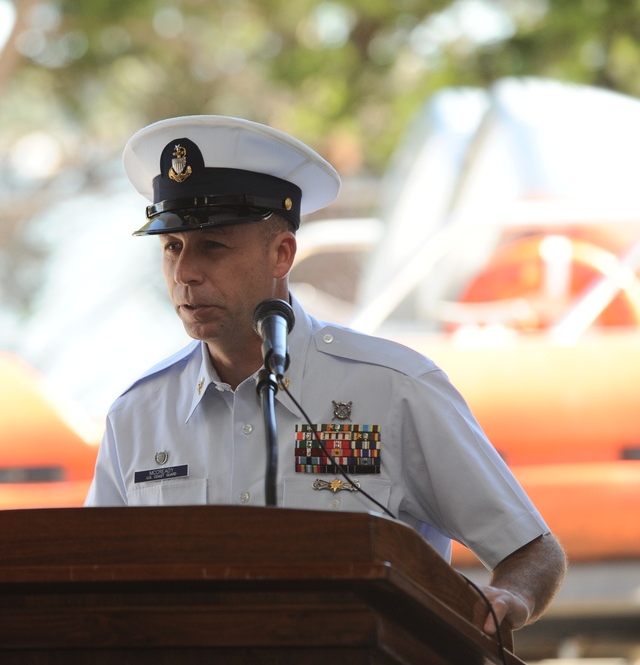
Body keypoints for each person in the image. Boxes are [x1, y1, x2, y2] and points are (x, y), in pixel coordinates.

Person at [84, 114, 567, 636]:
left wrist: (507, 600)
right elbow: (90, 581)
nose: (184, 273)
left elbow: (533, 551)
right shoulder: (136, 415)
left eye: (213, 246)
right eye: (172, 247)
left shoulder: (394, 388)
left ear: (281, 253)